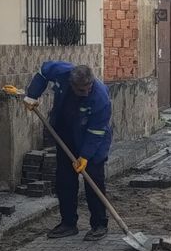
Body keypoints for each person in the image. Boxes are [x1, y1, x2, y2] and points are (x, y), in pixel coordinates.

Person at [23, 62, 112, 241]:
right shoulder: (61, 72)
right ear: (71, 84)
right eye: (81, 90)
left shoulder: (100, 97)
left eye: (88, 88)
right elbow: (43, 72)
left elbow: (96, 131)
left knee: (93, 179)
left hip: (93, 140)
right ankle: (68, 223)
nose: (86, 93)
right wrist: (32, 95)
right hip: (65, 132)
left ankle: (99, 224)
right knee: (64, 179)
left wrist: (85, 156)